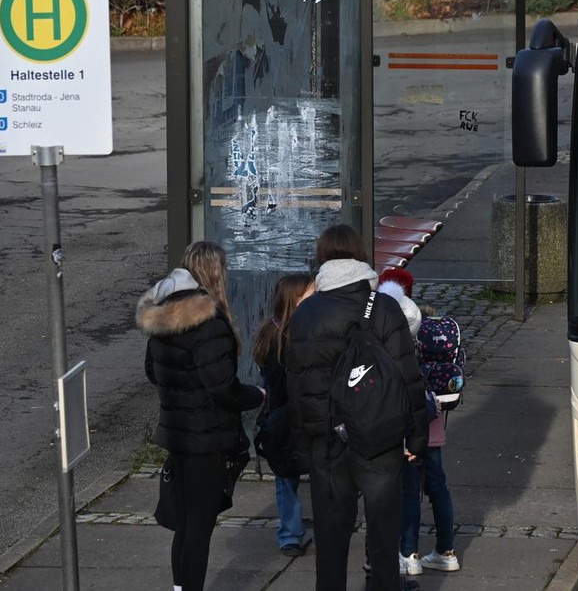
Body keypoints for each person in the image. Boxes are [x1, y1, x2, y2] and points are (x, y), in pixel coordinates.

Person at [288, 225, 430, 591]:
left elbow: (298, 385)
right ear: (360, 257)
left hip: (328, 443)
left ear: (322, 258)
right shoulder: (382, 307)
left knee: (331, 546)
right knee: (383, 543)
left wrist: (305, 442)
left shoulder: (306, 314)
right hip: (380, 438)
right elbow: (407, 376)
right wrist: (416, 436)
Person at [136, 240, 266, 591]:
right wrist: (257, 395)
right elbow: (222, 388)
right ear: (214, 272)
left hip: (177, 432)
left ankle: (180, 588)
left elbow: (153, 370)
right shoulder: (208, 322)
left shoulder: (165, 314)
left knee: (186, 520)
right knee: (200, 524)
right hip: (206, 436)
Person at [251, 273, 315, 556]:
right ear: (295, 301)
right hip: (299, 415)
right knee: (317, 472)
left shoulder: (270, 333)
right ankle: (302, 532)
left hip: (278, 417)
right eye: (310, 295)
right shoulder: (296, 337)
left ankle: (289, 535)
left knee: (285, 480)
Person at [399, 299, 461, 577]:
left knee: (410, 492)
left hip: (410, 432)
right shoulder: (445, 349)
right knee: (439, 488)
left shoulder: (407, 344)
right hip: (434, 431)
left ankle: (408, 553)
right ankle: (446, 551)